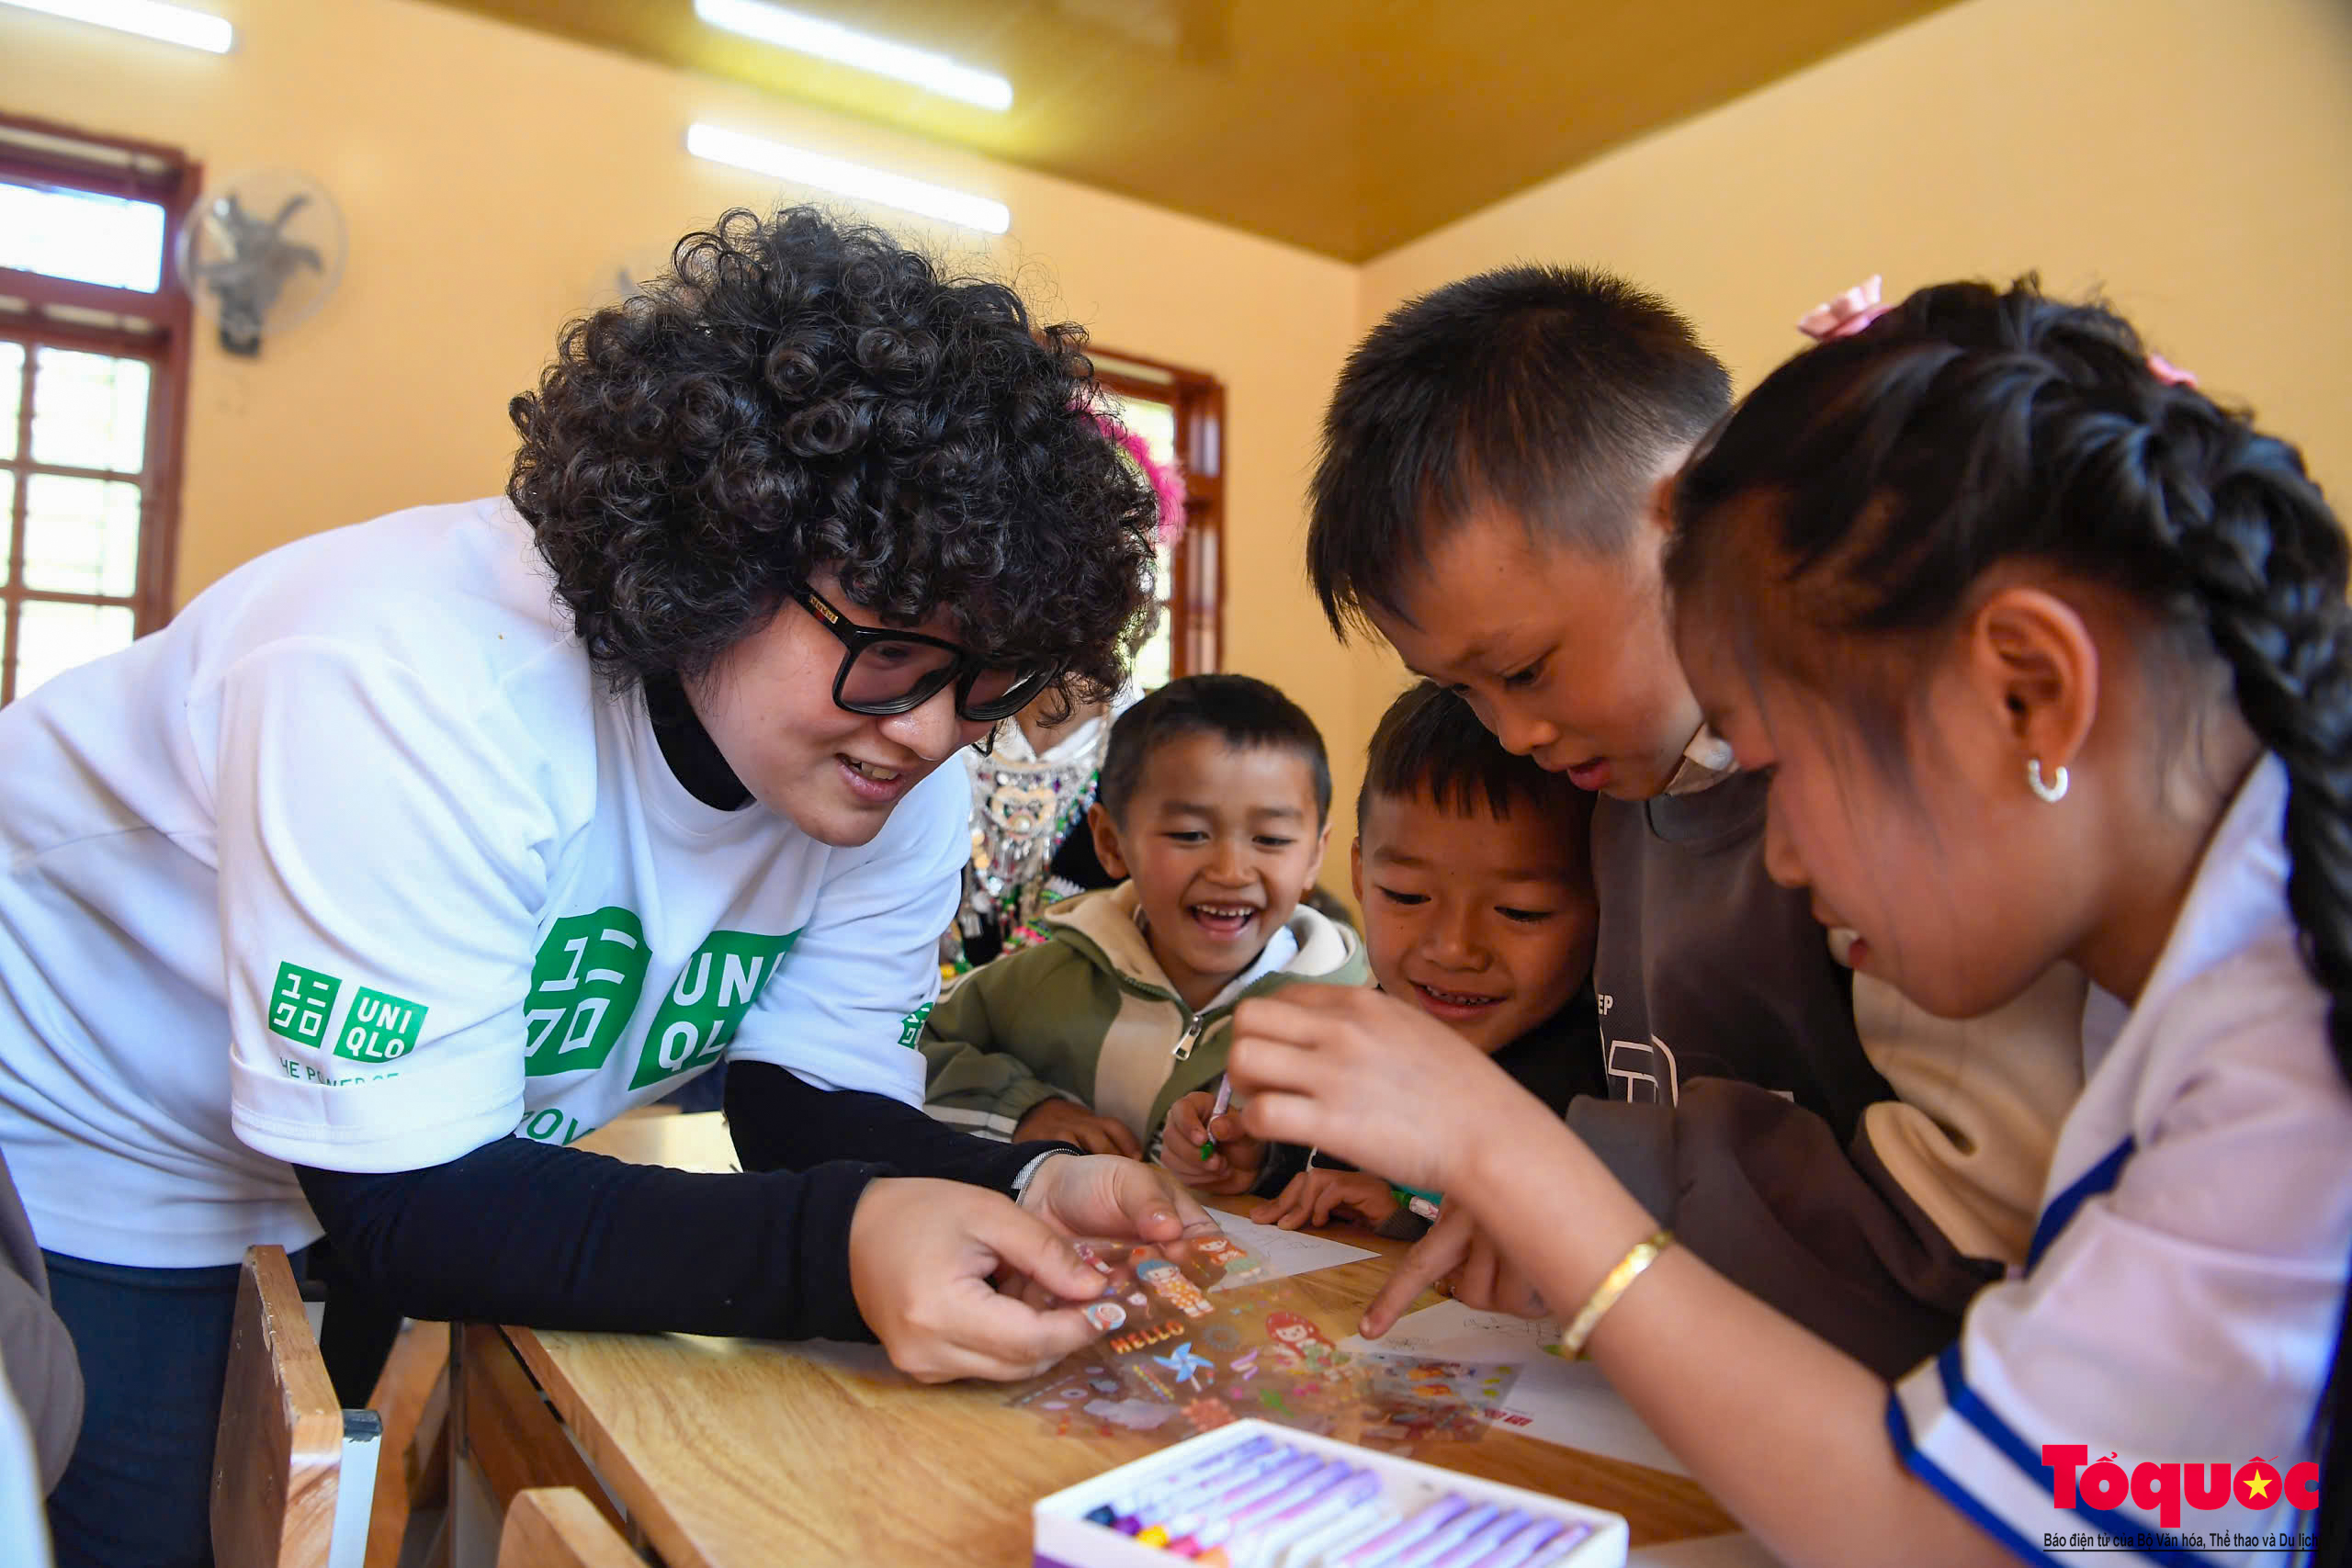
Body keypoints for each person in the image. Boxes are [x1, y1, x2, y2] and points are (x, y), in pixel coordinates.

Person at [0, 207, 1212, 1568]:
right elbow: (411, 1204)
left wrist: (1025, 1182)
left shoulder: (898, 763)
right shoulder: (405, 678)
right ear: (726, 545)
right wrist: (841, 1245)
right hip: (86, 1122)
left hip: (352, 1152)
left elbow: (800, 1098)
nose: (932, 732)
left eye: (988, 678)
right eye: (888, 650)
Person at [1227, 278, 2352, 1565]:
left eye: (1788, 764)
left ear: (2031, 693)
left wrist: (1514, 1156)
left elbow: (1967, 1535)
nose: (1779, 847)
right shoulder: (2226, 985)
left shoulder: (2280, 1066)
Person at [1300, 265, 2086, 1376]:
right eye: (1464, 692)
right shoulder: (1615, 784)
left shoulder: (1888, 789)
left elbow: (1976, 1218)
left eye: (1525, 667)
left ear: (1693, 514)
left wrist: (1583, 1186)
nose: (1513, 733)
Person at [1162, 681, 1598, 1242]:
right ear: (1361, 875)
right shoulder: (1347, 1042)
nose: (1454, 949)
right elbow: (1299, 1169)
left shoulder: (1597, 1088)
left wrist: (1403, 1214)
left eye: (1521, 911)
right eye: (1407, 896)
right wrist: (1253, 1161)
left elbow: (1552, 1255)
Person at [921, 674, 1368, 1157]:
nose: (1231, 872)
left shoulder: (1351, 1011)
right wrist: (1024, 1109)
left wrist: (1262, 1166)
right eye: (1190, 834)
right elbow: (916, 1048)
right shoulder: (1042, 982)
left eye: (1272, 840)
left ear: (1315, 855)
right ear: (1112, 844)